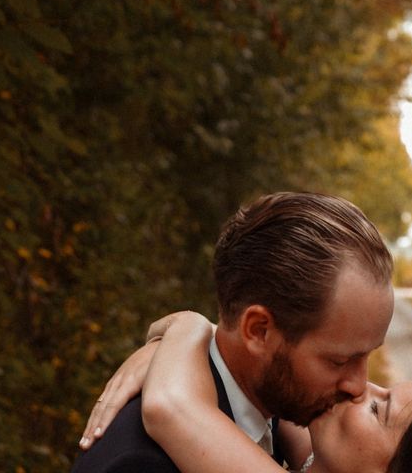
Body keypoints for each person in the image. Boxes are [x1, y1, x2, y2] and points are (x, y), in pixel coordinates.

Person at [73, 191, 395, 472]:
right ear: (258, 331)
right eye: (339, 361)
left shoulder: (271, 410)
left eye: (367, 355)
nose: (358, 385)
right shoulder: (144, 463)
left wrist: (187, 327)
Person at [84, 311, 412, 473]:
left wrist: (187, 328)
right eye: (385, 389)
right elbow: (272, 369)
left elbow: (172, 407)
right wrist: (195, 346)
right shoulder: (317, 453)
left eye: (380, 410)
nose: (360, 389)